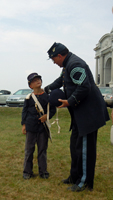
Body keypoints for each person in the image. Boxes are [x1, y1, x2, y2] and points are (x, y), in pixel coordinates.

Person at [44, 42, 110, 191]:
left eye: (54, 60)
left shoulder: (75, 64)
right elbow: (61, 80)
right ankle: (74, 176)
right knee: (75, 147)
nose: (54, 63)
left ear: (60, 56)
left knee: (85, 150)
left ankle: (84, 183)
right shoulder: (68, 65)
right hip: (80, 115)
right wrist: (46, 89)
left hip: (89, 115)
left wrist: (70, 101)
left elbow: (84, 87)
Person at [21, 72, 56, 180]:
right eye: (34, 80)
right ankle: (27, 171)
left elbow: (53, 109)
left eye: (38, 79)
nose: (37, 81)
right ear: (30, 85)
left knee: (42, 150)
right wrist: (24, 125)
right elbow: (25, 111)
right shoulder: (28, 98)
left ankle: (43, 171)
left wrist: (47, 116)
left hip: (42, 128)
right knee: (29, 150)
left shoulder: (47, 96)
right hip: (31, 127)